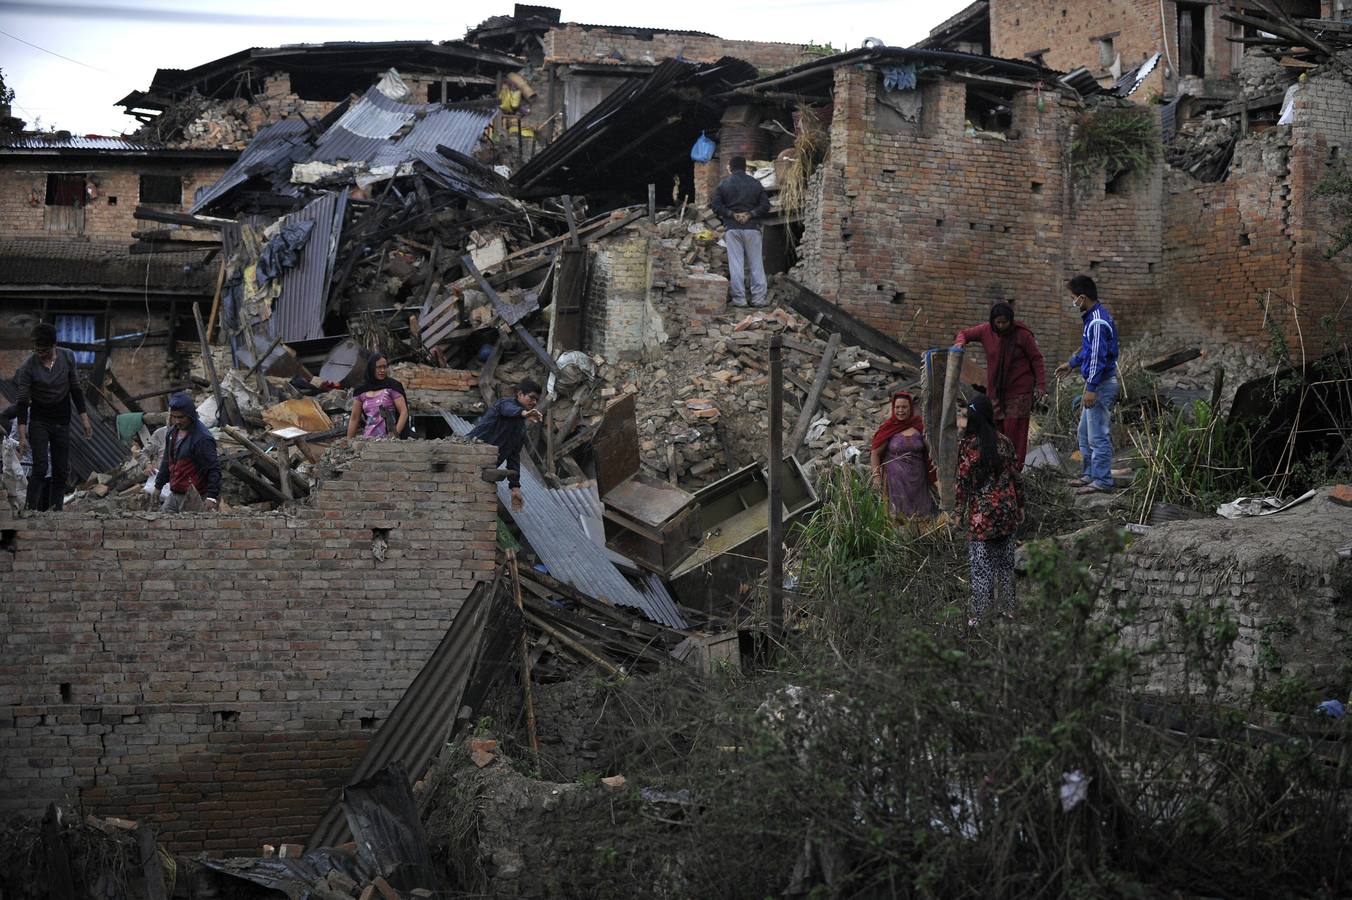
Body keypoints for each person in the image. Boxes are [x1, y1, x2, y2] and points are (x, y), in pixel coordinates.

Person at [955, 394, 1025, 626]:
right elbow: (1017, 477)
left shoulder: (967, 445)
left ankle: (981, 616)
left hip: (982, 517)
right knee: (1006, 564)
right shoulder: (1004, 441)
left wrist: (957, 514)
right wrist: (1021, 505)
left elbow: (962, 483)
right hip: (1007, 511)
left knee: (981, 567)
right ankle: (1008, 610)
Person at [954, 300, 1046, 469]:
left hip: (1019, 391)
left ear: (1011, 321)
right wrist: (960, 343)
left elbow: (1036, 359)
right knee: (994, 428)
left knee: (1014, 433)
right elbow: (964, 334)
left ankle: (1013, 469)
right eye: (998, 323)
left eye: (1005, 322)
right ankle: (995, 466)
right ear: (992, 322)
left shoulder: (1022, 335)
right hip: (995, 391)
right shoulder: (985, 331)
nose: (1002, 326)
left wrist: (1040, 385)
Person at [14, 322, 92, 512]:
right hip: (39, 420)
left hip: (62, 420)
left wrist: (84, 419)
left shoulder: (67, 357)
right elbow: (22, 402)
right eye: (37, 351)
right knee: (40, 467)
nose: (40, 354)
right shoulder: (28, 367)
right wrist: (22, 435)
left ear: (54, 345)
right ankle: (30, 510)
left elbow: (75, 389)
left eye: (44, 351)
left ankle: (55, 512)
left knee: (60, 470)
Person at [1054, 275, 1119, 494]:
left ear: (1083, 297)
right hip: (1095, 385)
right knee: (1084, 433)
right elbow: (1088, 351)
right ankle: (1090, 474)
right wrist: (1071, 364)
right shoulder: (1092, 318)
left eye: (1073, 298)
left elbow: (1097, 359)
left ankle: (1102, 480)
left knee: (1097, 435)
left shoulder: (1098, 322)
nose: (1073, 302)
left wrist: (1091, 388)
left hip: (1100, 386)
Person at [468, 379, 542, 510]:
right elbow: (509, 409)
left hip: (484, 470)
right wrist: (524, 413)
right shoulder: (504, 404)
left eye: (536, 400)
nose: (534, 402)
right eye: (531, 397)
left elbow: (513, 457)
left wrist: (515, 488)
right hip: (467, 458)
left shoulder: (520, 428)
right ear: (519, 394)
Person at [711, 155, 772, 308]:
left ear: (731, 168)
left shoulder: (723, 184)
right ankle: (758, 299)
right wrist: (750, 214)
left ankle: (740, 300)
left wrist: (733, 214)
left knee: (736, 265)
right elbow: (765, 205)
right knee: (756, 264)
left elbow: (716, 206)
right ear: (745, 168)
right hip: (752, 229)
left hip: (733, 229)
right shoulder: (756, 184)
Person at [869, 391, 937, 518]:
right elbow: (875, 453)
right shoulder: (888, 428)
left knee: (920, 517)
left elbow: (931, 451)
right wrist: (876, 477)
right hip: (895, 482)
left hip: (918, 481)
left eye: (904, 407)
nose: (901, 410)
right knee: (897, 517)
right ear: (893, 408)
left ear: (910, 408)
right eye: (897, 407)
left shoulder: (919, 426)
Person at [154, 392, 221, 512]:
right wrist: (158, 486)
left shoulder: (202, 438)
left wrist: (211, 496)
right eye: (174, 417)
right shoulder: (172, 433)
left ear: (190, 415)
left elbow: (213, 468)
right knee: (161, 521)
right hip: (175, 494)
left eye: (181, 417)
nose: (177, 421)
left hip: (195, 496)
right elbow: (166, 461)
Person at [346, 353, 409, 440]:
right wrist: (349, 441)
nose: (382, 370)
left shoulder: (392, 387)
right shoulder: (361, 391)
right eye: (379, 367)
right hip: (368, 440)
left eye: (384, 367)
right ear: (371, 368)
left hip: (388, 440)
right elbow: (354, 418)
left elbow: (404, 412)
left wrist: (394, 437)